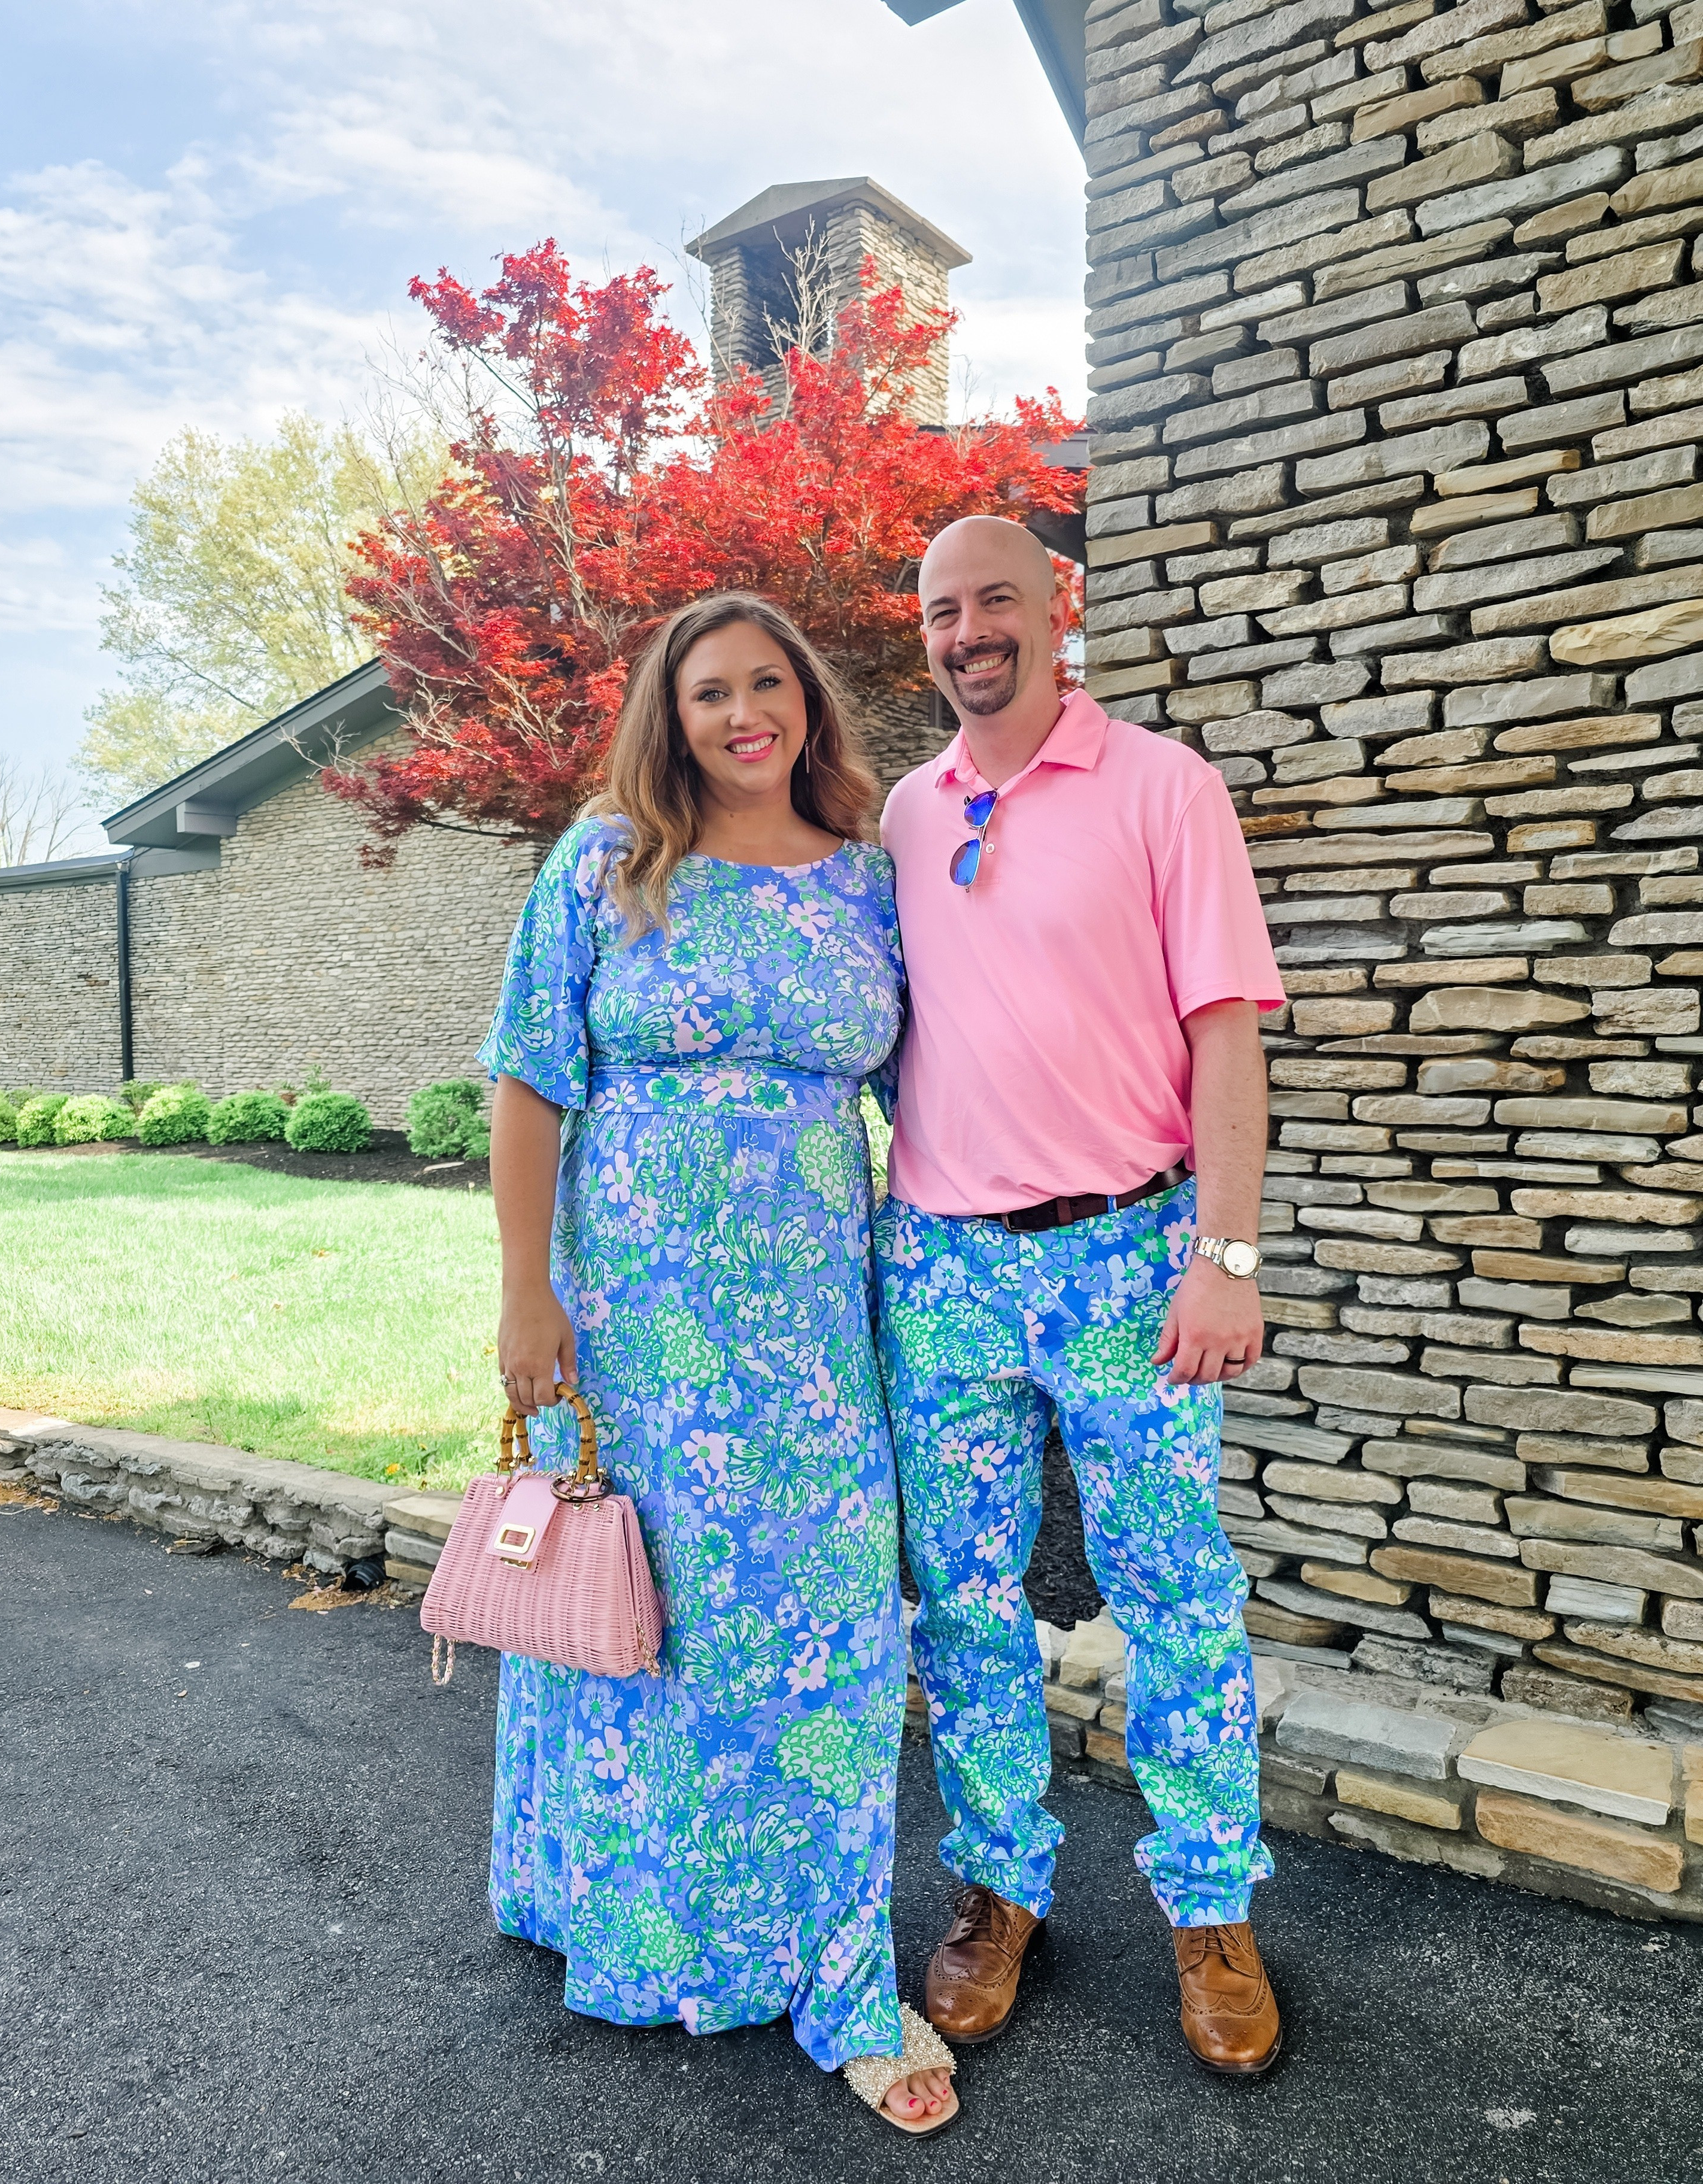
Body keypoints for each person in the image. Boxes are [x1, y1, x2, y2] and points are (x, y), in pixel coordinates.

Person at [477, 592, 958, 2136]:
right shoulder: (606, 859)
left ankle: (832, 1967)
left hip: (814, 1319)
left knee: (825, 1632)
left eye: (768, 685)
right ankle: (621, 1907)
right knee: (638, 1608)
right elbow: (530, 1082)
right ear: (667, 718)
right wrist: (524, 1299)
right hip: (625, 1306)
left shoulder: (873, 883)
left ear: (808, 701)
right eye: (708, 695)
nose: (744, 714)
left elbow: (949, 1078)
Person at [876, 515, 1285, 2079]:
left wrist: (1225, 1257)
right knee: (966, 1603)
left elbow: (1229, 1041)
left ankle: (1208, 1908)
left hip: (1127, 1251)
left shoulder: (1164, 791)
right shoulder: (906, 816)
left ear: (1060, 610)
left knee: (1175, 1591)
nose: (968, 630)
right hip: (944, 1266)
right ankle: (1000, 1890)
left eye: (995, 600)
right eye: (940, 609)